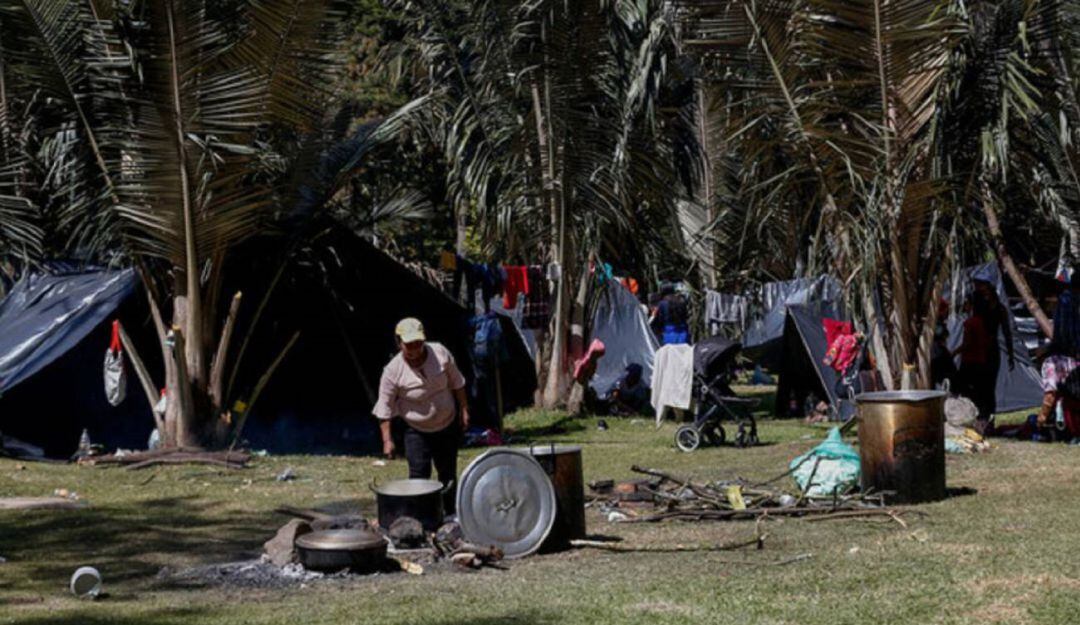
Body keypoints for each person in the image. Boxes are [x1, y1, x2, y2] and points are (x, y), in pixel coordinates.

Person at [373, 318, 469, 514]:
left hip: (447, 423)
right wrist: (387, 440)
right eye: (409, 345)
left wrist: (464, 409)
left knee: (448, 474)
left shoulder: (440, 353)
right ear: (399, 343)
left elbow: (457, 382)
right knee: (418, 475)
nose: (415, 350)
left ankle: (451, 515)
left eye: (418, 343)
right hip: (416, 430)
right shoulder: (392, 371)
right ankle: (422, 517)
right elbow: (384, 407)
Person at [952, 295, 994, 429]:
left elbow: (967, 343)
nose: (965, 306)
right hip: (981, 361)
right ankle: (983, 416)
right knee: (980, 391)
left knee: (963, 389)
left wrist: (954, 353)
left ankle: (967, 414)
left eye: (967, 304)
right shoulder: (984, 322)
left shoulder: (970, 323)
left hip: (970, 361)